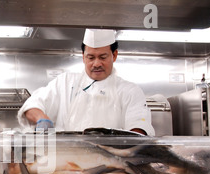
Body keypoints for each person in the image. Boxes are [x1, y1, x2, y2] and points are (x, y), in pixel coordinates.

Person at [17, 29, 155, 136]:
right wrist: (42, 119)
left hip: (111, 164)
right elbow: (32, 105)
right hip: (66, 162)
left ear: (114, 55)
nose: (96, 64)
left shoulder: (130, 91)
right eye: (90, 57)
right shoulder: (65, 82)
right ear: (83, 57)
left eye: (102, 57)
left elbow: (139, 129)